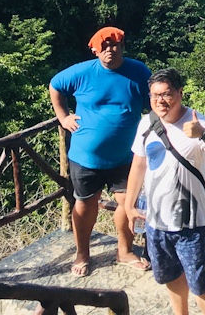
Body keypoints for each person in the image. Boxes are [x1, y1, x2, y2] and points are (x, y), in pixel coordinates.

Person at [126, 68, 205, 315]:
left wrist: (204, 135)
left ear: (179, 94)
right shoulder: (147, 123)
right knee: (170, 276)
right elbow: (139, 165)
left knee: (200, 283)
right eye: (155, 96)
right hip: (155, 220)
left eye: (166, 94)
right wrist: (129, 206)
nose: (160, 101)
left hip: (190, 222)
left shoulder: (196, 122)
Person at [49, 26, 151, 276]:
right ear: (94, 49)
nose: (110, 50)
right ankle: (82, 254)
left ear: (123, 47)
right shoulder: (82, 72)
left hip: (126, 156)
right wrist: (62, 116)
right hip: (86, 157)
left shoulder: (138, 72)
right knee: (85, 204)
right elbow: (55, 86)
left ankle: (125, 251)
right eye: (104, 46)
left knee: (129, 203)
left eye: (115, 45)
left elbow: (155, 101)